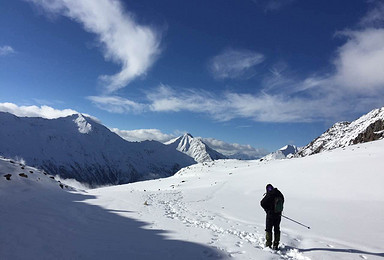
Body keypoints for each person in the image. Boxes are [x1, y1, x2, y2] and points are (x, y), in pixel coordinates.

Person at [260, 184, 284, 250]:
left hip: (270, 215)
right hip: (278, 214)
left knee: (268, 229)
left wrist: (267, 210)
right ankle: (276, 244)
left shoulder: (269, 194)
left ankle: (268, 244)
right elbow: (282, 201)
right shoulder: (278, 193)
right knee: (277, 229)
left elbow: (262, 203)